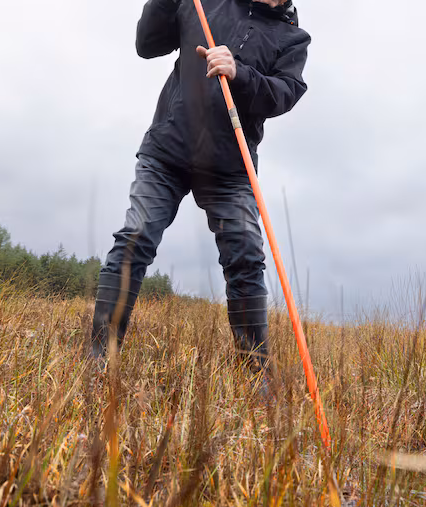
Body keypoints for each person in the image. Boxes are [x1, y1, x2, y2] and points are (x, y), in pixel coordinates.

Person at [89, 0, 310, 378]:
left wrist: (240, 73)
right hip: (168, 151)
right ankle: (99, 357)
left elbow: (285, 93)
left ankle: (254, 375)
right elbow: (147, 44)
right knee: (135, 238)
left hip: (231, 169)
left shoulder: (292, 37)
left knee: (245, 258)